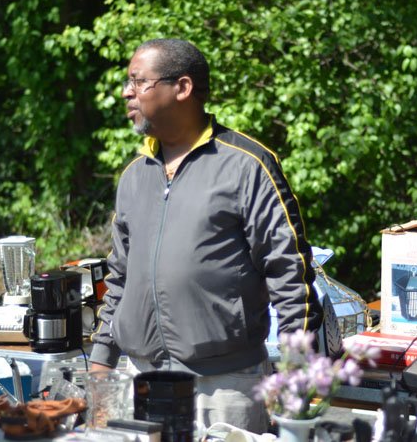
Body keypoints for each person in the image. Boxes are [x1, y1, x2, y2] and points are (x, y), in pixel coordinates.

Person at [89, 38, 324, 433]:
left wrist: (296, 374)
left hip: (226, 387)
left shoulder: (246, 165)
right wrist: (100, 363)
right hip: (140, 379)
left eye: (138, 81)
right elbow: (119, 278)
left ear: (182, 88)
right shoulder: (134, 176)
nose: (127, 92)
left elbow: (290, 272)